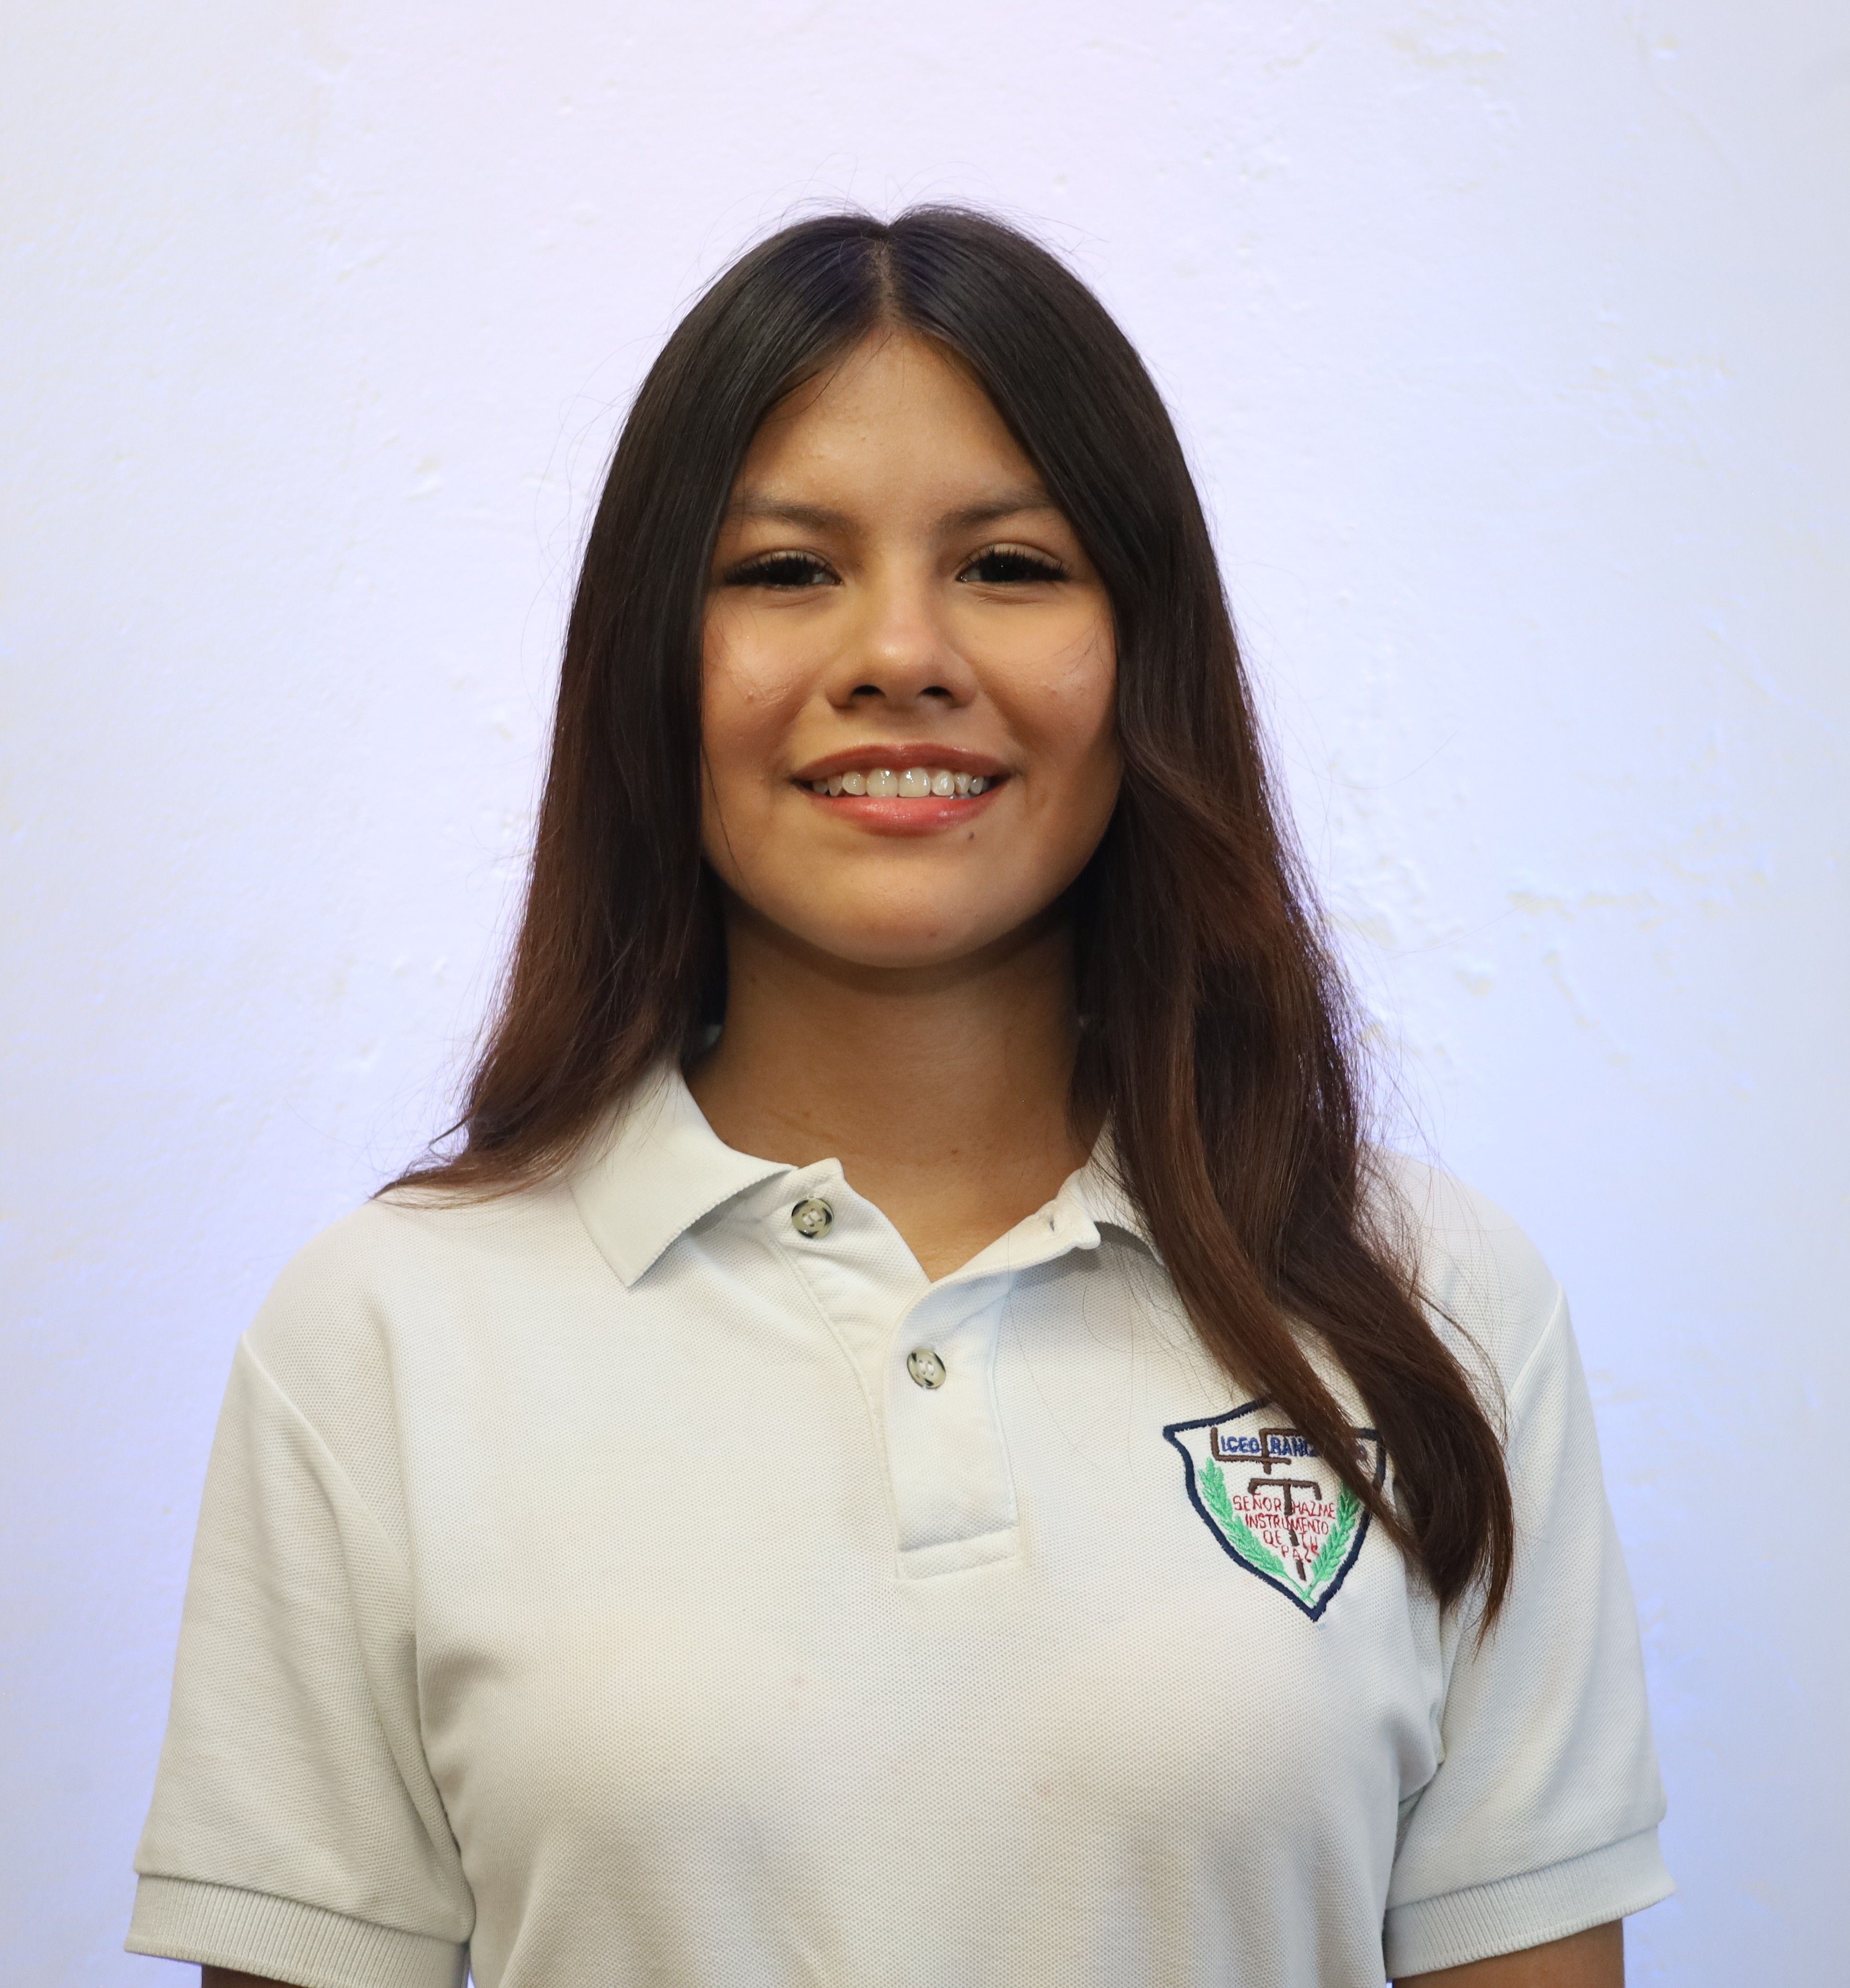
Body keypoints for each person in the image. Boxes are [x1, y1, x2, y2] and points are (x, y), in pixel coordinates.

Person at [126, 208, 1670, 1988]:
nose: (901, 652)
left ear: (1145, 651)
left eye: (1009, 564)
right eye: (787, 570)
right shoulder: (383, 1336)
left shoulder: (1433, 1301)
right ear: (650, 660)